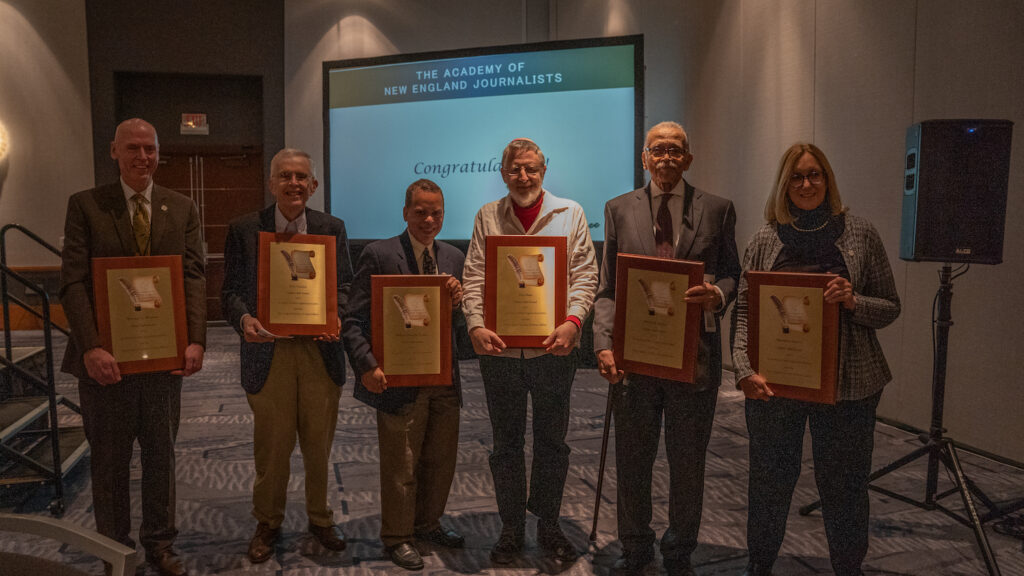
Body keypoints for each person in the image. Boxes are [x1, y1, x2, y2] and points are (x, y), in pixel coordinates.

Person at [731, 143, 900, 576]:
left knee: (844, 488)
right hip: (776, 383)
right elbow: (746, 313)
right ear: (784, 184)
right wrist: (744, 371)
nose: (806, 184)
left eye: (815, 175)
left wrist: (853, 301)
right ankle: (759, 565)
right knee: (769, 483)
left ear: (827, 180)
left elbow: (890, 307)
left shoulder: (860, 233)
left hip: (848, 386)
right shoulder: (765, 238)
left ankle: (849, 567)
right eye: (797, 177)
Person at [592, 121, 741, 576]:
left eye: (676, 150)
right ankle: (636, 546)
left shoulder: (717, 209)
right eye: (658, 150)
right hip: (634, 360)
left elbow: (733, 272)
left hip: (693, 359)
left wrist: (719, 296)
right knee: (633, 458)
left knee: (688, 462)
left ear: (689, 159)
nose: (667, 158)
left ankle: (679, 551)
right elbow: (607, 290)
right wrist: (603, 344)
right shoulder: (619, 209)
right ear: (644, 158)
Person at [60, 118, 206, 576]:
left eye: (150, 148)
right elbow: (74, 282)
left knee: (161, 456)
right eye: (133, 148)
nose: (143, 157)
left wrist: (196, 339)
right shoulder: (86, 206)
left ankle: (160, 545)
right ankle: (113, 550)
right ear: (114, 151)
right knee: (109, 460)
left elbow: (193, 277)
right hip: (106, 363)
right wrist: (91, 347)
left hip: (164, 361)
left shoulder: (180, 208)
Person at [461, 137, 598, 565]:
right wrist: (476, 324)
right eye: (516, 169)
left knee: (553, 443)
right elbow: (474, 277)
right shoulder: (488, 216)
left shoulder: (570, 213)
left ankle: (550, 525)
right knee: (505, 445)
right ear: (503, 173)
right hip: (500, 353)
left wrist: (574, 322)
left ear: (544, 170)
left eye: (532, 168)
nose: (524, 176)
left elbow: (584, 276)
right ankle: (511, 528)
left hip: (553, 350)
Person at [221, 148, 353, 564]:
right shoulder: (244, 229)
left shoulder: (332, 228)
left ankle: (320, 517)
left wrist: (336, 315)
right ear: (271, 183)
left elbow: (347, 287)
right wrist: (244, 320)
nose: (293, 184)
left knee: (319, 445)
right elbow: (230, 293)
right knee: (272, 448)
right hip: (269, 354)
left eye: (301, 177)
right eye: (285, 176)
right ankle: (268, 521)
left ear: (313, 185)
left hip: (320, 353)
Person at [343, 179, 466, 570]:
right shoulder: (379, 255)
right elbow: (353, 320)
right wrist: (367, 366)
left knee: (440, 460)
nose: (429, 220)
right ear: (405, 213)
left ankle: (429, 524)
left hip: (443, 378)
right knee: (402, 465)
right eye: (421, 212)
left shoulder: (453, 258)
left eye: (437, 213)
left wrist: (461, 305)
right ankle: (398, 536)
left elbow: (457, 332)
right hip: (397, 379)